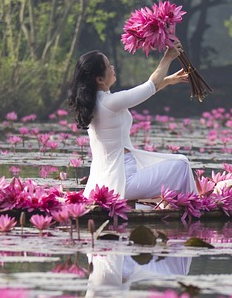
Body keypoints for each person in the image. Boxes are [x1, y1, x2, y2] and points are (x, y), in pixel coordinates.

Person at [68, 40, 198, 201]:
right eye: (108, 66)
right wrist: (168, 57)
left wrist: (169, 80)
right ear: (100, 79)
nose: (112, 68)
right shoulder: (110, 102)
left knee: (176, 163)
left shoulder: (94, 103)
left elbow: (147, 89)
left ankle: (180, 204)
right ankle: (191, 207)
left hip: (104, 184)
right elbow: (149, 87)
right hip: (124, 182)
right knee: (182, 164)